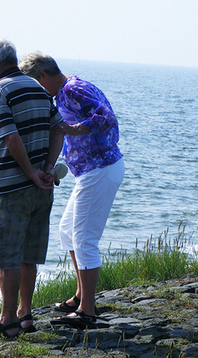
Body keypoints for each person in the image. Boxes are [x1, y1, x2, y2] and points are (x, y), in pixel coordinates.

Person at [19, 51, 125, 329]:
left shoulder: (72, 89)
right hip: (93, 170)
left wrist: (72, 129)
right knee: (68, 231)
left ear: (42, 76)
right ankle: (81, 297)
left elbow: (107, 117)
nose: (35, 90)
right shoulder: (65, 92)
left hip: (100, 168)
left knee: (84, 239)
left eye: (34, 83)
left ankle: (88, 311)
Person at [0, 38, 64, 338]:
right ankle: (25, 313)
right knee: (28, 254)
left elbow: (11, 138)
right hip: (41, 189)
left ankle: (7, 319)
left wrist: (30, 173)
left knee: (7, 256)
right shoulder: (38, 87)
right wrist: (46, 170)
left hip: (10, 188)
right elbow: (58, 128)